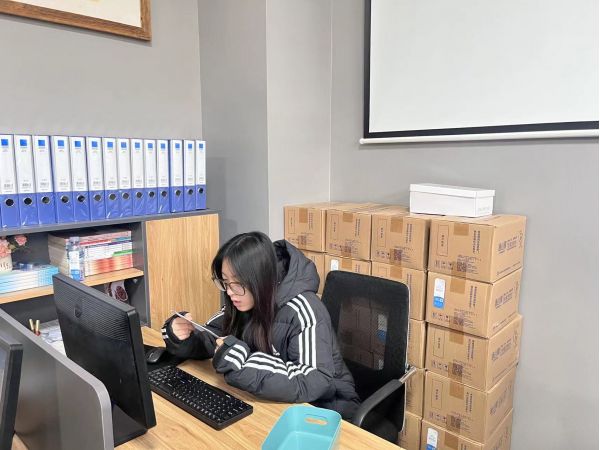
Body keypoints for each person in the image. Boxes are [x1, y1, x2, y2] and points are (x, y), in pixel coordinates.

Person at [161, 231, 360, 419]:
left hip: (326, 409)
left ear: (261, 280)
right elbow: (215, 338)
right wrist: (184, 337)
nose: (229, 292)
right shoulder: (241, 300)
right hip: (272, 403)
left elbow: (314, 380)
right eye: (225, 282)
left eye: (237, 283)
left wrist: (243, 362)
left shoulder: (305, 310)